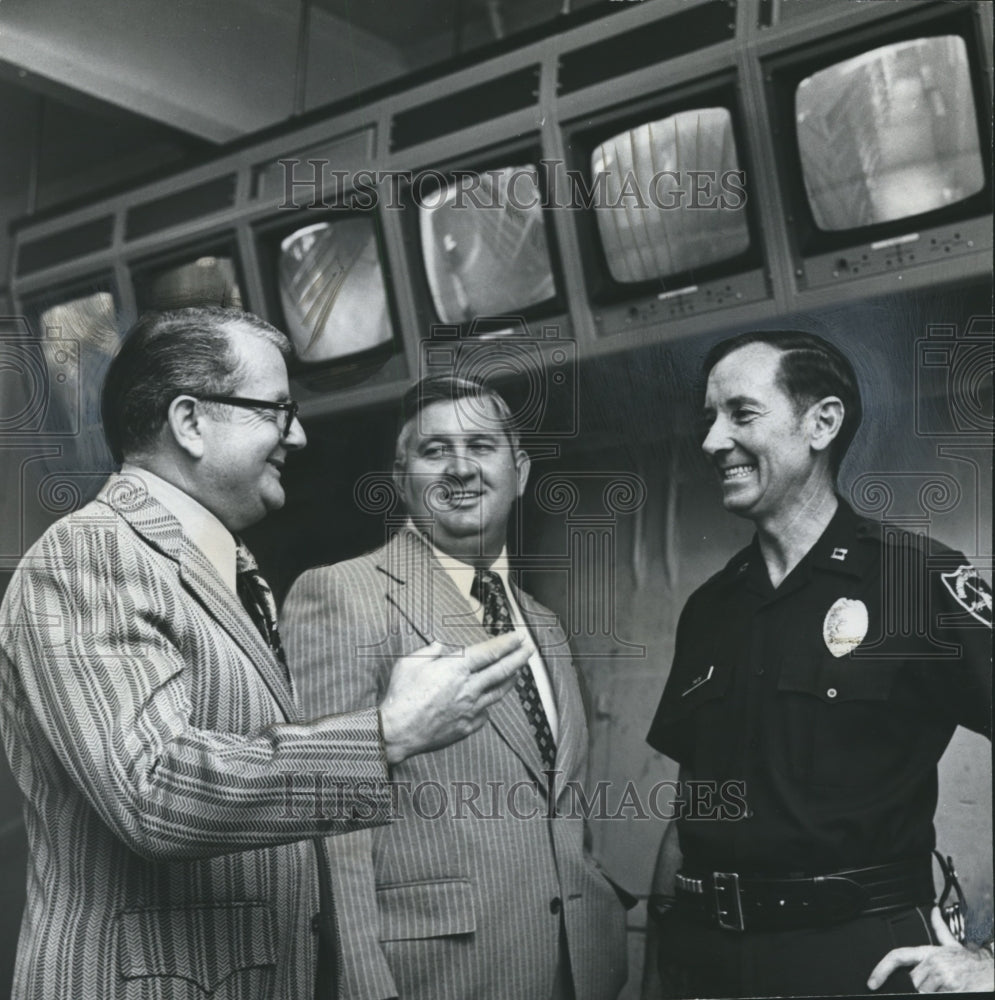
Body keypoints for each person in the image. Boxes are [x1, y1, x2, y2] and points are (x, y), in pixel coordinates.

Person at [0, 308, 531, 1000]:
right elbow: (152, 791)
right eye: (276, 411)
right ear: (189, 421)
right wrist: (385, 733)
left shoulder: (227, 568)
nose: (299, 435)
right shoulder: (91, 553)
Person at [641, 330, 993, 997]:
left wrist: (991, 958)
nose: (712, 441)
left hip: (856, 959)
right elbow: (694, 801)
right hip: (706, 959)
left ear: (821, 423)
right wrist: (660, 964)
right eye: (708, 420)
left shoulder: (914, 579)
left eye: (740, 414)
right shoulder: (711, 608)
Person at [282, 373, 629, 1000]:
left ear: (520, 471)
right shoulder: (340, 594)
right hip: (438, 979)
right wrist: (363, 986)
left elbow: (560, 805)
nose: (461, 468)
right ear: (400, 478)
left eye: (481, 446)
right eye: (434, 450)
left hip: (578, 969)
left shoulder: (544, 625)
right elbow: (329, 813)